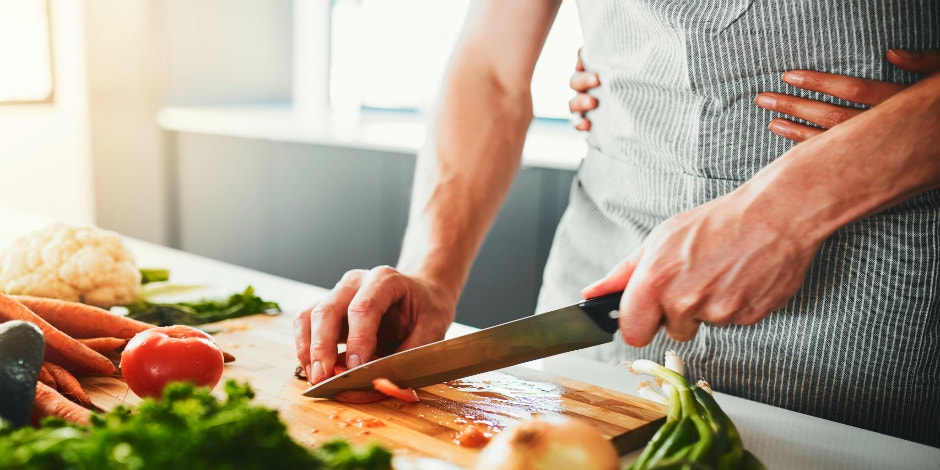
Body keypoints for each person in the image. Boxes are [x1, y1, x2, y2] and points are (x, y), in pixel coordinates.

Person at [295, 0, 940, 446]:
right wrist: (430, 273)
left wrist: (800, 200)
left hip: (876, 333)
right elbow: (490, 68)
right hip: (597, 322)